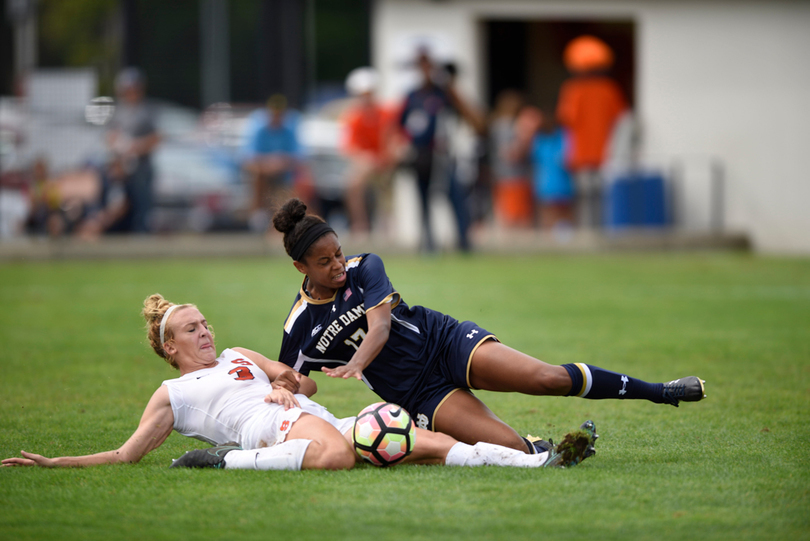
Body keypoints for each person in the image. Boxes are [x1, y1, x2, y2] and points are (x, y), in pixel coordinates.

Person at [272, 198, 706, 455]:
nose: (337, 266)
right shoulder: (300, 325)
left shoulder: (365, 266)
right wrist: (287, 387)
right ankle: (544, 449)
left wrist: (356, 363)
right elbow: (296, 380)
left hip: (444, 343)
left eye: (337, 253)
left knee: (547, 378)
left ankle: (660, 392)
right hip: (416, 392)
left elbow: (380, 326)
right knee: (513, 450)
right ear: (299, 266)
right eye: (324, 262)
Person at [2, 294, 598, 471]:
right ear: (169, 347)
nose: (206, 331)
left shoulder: (239, 354)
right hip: (266, 433)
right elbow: (127, 455)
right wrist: (56, 464)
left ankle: (532, 464)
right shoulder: (172, 396)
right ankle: (222, 462)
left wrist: (288, 380)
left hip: (299, 418)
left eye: (205, 321)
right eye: (191, 328)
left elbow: (304, 384)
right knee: (341, 455)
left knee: (413, 437)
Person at [398, 48, 485, 252]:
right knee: (424, 200)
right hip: (422, 156)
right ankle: (428, 244)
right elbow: (400, 125)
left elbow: (475, 120)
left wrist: (451, 88)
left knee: (456, 196)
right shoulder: (413, 96)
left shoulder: (444, 93)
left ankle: (463, 242)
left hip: (445, 157)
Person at [556, 35, 628, 229]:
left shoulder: (573, 89)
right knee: (604, 194)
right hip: (606, 151)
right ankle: (604, 228)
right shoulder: (610, 89)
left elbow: (566, 119)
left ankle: (587, 229)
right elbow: (621, 118)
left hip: (581, 152)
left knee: (584, 194)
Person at [340, 67, 402, 238]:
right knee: (352, 184)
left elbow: (395, 139)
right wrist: (366, 159)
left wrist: (386, 157)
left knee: (387, 188)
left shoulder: (387, 114)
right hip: (367, 164)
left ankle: (387, 228)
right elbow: (350, 147)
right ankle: (360, 226)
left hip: (386, 164)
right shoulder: (354, 117)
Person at [106, 67, 161, 233]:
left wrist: (136, 147)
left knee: (142, 209)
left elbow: (156, 138)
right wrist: (119, 146)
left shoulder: (146, 111)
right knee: (119, 205)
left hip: (142, 169)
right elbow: (110, 137)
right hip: (123, 171)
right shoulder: (119, 112)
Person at [241, 94, 302, 231]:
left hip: (285, 174)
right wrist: (269, 164)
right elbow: (248, 159)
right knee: (258, 174)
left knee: (301, 179)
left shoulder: (289, 130)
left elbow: (298, 157)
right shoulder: (259, 130)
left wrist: (280, 163)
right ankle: (257, 214)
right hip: (264, 173)